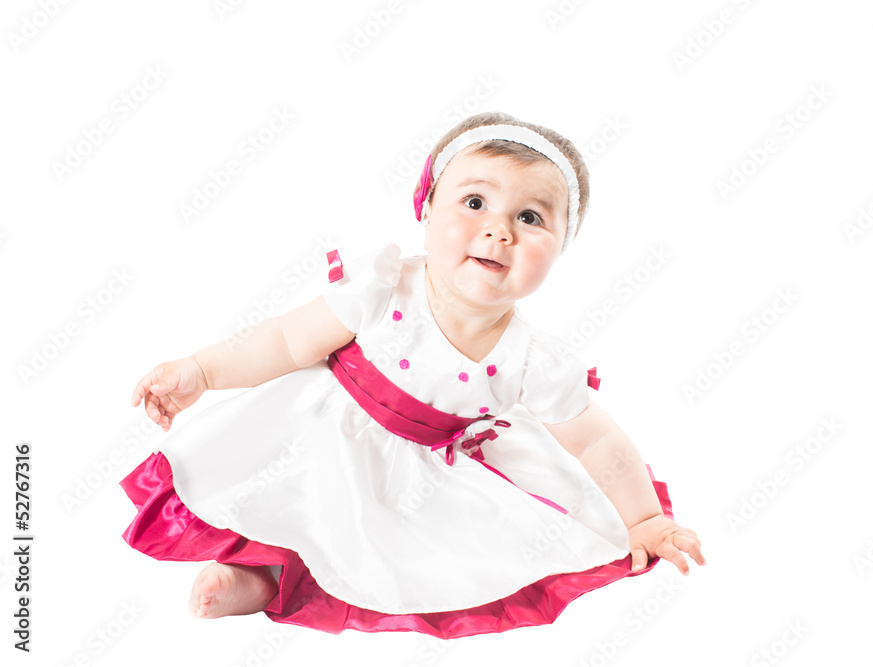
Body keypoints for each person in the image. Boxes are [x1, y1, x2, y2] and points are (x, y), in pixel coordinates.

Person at [121, 111, 706, 639]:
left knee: (393, 556)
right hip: (320, 429)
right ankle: (247, 567)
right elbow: (285, 341)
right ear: (426, 209)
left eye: (530, 218)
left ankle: (267, 588)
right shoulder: (383, 287)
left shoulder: (533, 359)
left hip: (421, 472)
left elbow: (598, 440)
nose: (499, 230)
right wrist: (201, 370)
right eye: (475, 203)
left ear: (559, 249)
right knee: (287, 499)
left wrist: (644, 519)